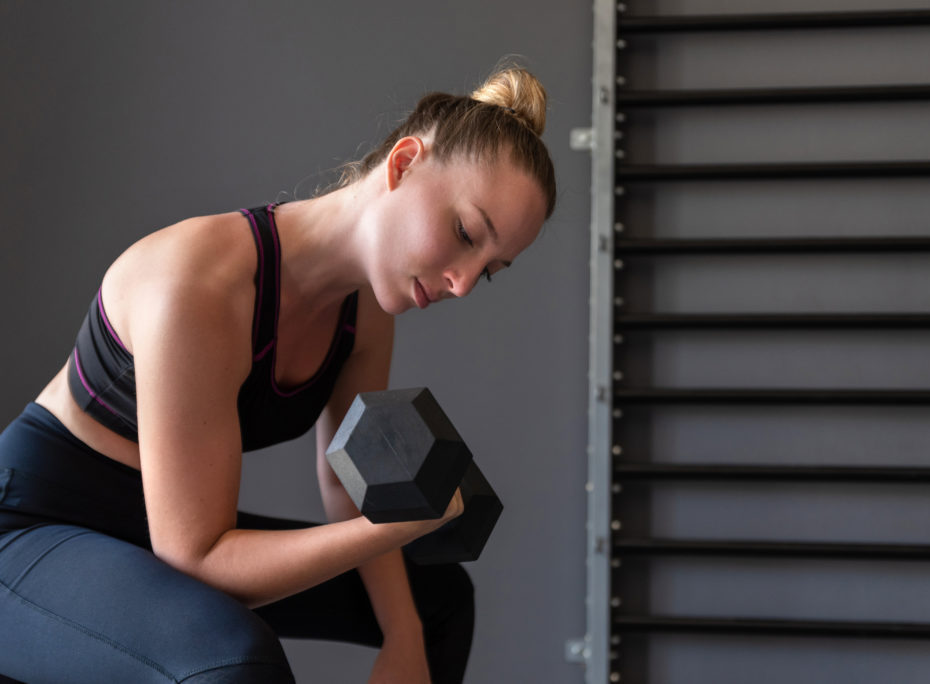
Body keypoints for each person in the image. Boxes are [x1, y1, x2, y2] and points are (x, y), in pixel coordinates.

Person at [0, 66, 556, 684]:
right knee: (234, 660)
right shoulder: (198, 286)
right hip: (34, 527)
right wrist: (398, 524)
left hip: (156, 533)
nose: (461, 283)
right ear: (404, 164)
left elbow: (350, 481)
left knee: (437, 603)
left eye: (488, 269)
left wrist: (404, 638)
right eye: (464, 233)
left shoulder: (367, 310)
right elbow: (195, 557)